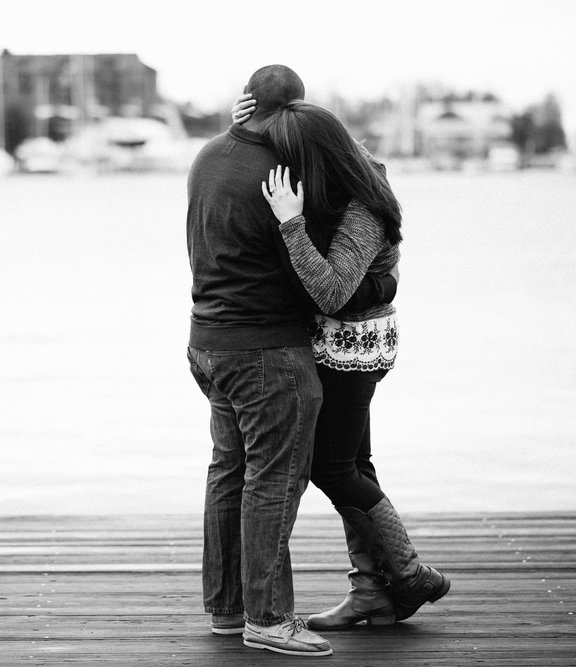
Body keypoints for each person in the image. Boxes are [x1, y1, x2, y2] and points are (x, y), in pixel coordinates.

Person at [186, 65, 397, 657]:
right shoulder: (285, 175)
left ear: (248, 105)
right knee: (273, 483)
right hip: (267, 352)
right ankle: (270, 619)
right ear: (292, 112)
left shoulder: (207, 156)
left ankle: (228, 611)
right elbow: (362, 178)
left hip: (208, 343)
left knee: (228, 473)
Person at [231, 95, 451, 629]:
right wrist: (239, 130)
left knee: (331, 468)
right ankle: (372, 593)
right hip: (341, 342)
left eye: (285, 157)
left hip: (352, 348)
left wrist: (290, 222)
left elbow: (330, 292)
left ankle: (412, 571)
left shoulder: (362, 205)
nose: (278, 169)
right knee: (356, 463)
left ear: (315, 155)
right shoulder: (344, 172)